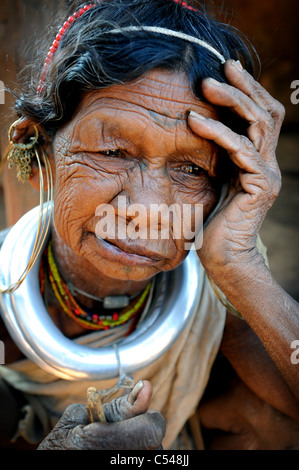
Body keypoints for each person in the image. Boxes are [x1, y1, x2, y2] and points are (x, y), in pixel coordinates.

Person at [0, 0, 298, 450]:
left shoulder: (216, 295)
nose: (146, 209)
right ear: (38, 149)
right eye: (112, 153)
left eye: (193, 170)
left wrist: (238, 265)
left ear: (227, 185)